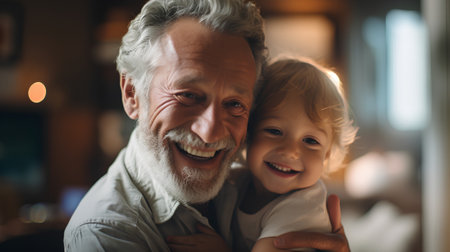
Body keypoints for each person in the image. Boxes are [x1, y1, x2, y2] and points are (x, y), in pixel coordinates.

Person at [64, 0, 350, 251]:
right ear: (131, 94)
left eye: (235, 104)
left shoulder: (247, 182)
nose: (211, 131)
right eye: (188, 96)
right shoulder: (107, 234)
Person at [166, 58, 358, 252]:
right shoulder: (236, 180)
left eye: (311, 141)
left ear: (326, 156)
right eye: (274, 131)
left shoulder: (304, 206)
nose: (291, 151)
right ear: (248, 133)